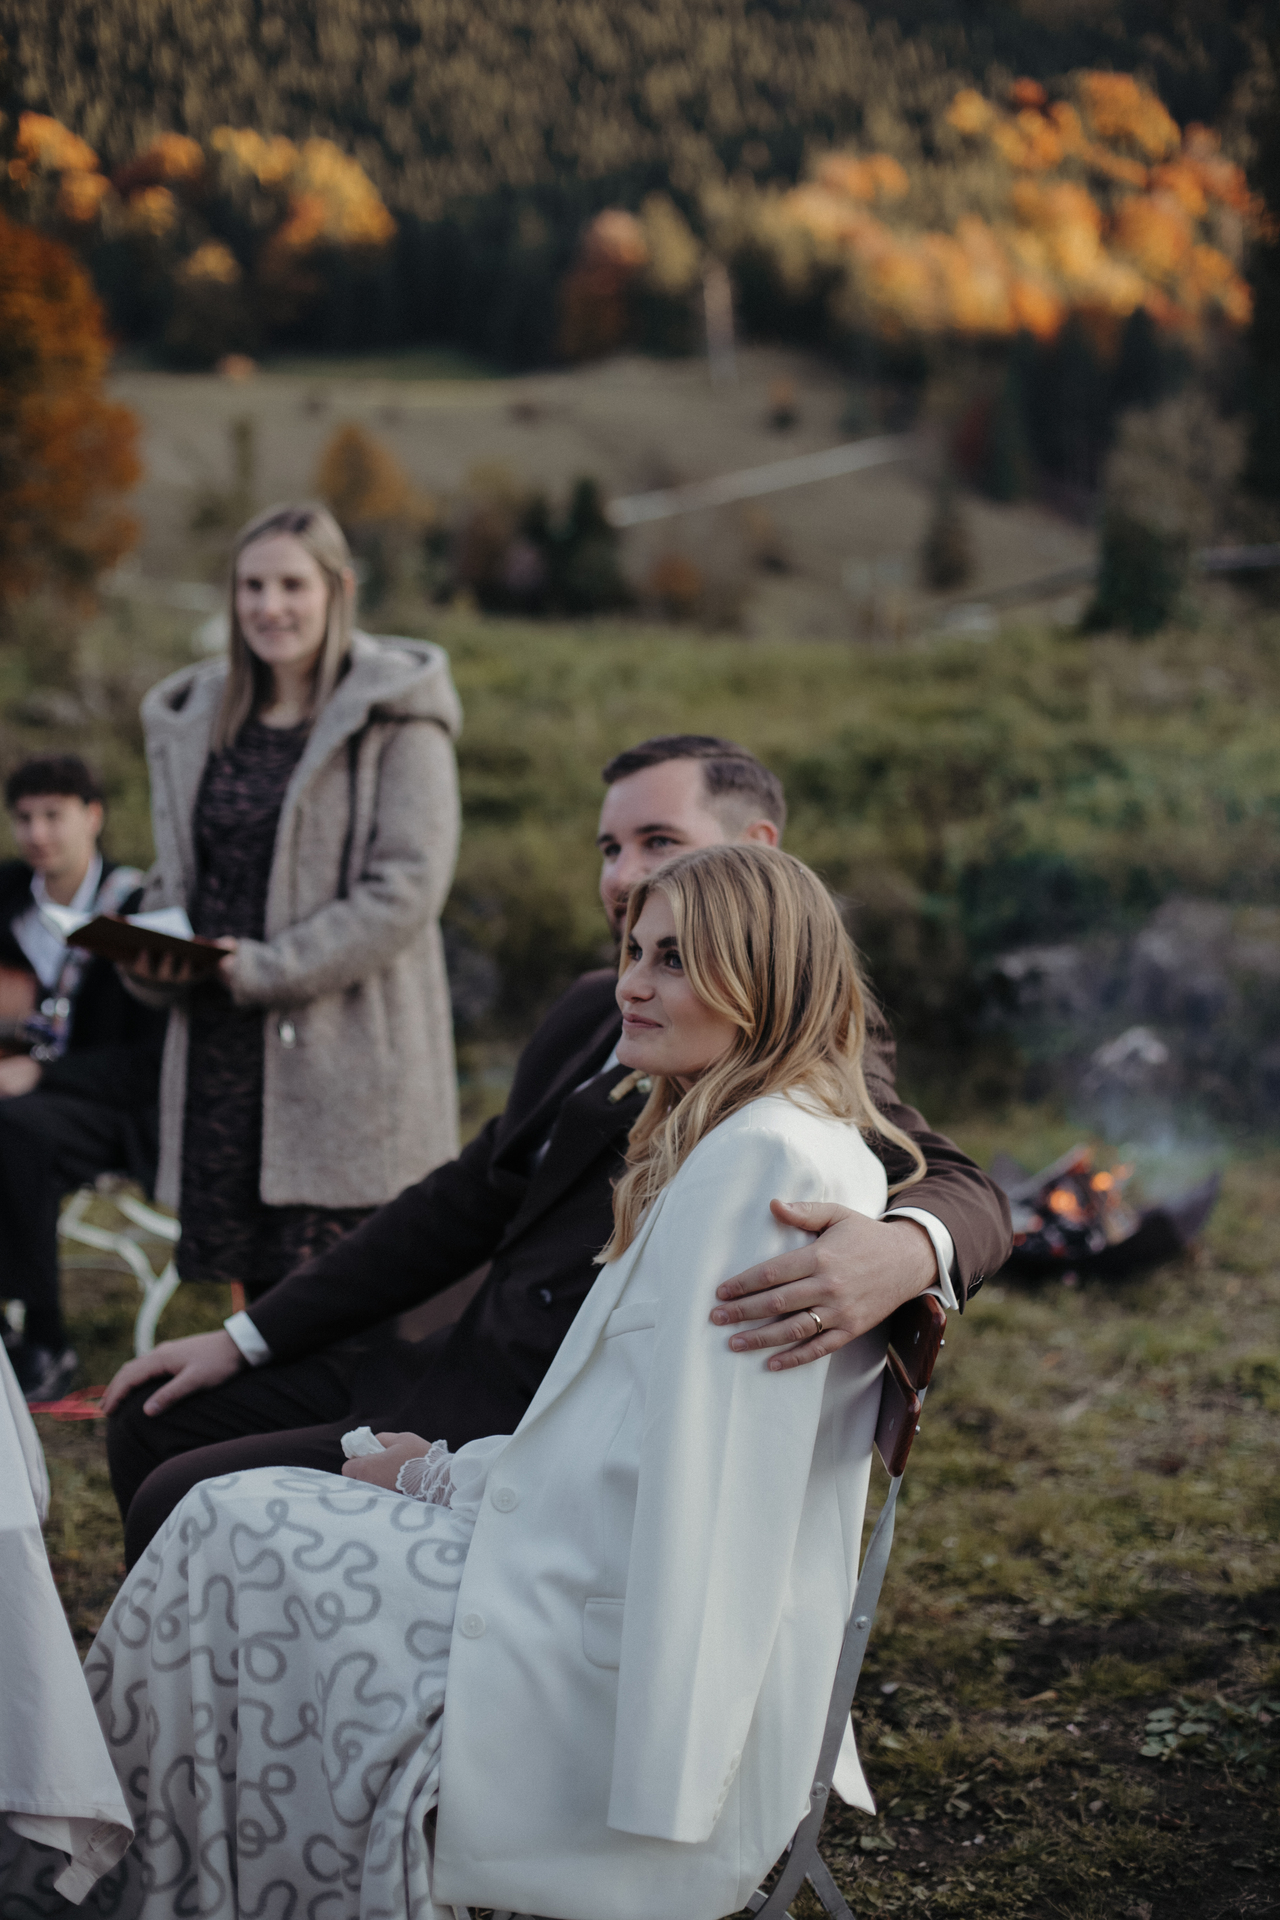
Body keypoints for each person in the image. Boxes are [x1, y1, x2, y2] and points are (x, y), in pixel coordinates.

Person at [73, 845, 953, 1919]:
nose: (631, 984)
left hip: (594, 1624)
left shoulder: (761, 1163)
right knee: (222, 1522)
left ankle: (169, 1873)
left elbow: (683, 1493)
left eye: (675, 960)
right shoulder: (744, 1132)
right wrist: (436, 1463)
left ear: (764, 976)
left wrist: (434, 1480)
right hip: (564, 1540)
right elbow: (625, 1423)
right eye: (635, 952)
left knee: (225, 1529)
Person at [104, 734, 1011, 1564]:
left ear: (756, 849)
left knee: (181, 1497)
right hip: (435, 1366)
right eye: (610, 849)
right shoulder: (593, 1007)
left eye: (659, 841)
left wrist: (905, 1249)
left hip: (538, 1437)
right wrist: (246, 1336)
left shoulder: (794, 1044)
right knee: (152, 1417)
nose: (624, 875)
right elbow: (463, 1198)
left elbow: (959, 1184)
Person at [125, 501, 462, 1302]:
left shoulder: (398, 715)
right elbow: (180, 869)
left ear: (339, 589)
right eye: (251, 586)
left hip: (342, 1052)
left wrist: (268, 967)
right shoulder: (201, 719)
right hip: (220, 1046)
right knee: (253, 1302)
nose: (268, 606)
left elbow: (407, 886)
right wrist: (149, 953)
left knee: (341, 1306)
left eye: (290, 585)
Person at [0, 755, 166, 1403]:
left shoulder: (138, 906)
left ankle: (45, 1337)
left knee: (15, 1130)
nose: (37, 833)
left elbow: (148, 1061)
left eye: (53, 815)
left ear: (93, 816)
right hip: (20, 1096)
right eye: (24, 818)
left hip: (114, 1106)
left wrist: (42, 1072)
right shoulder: (9, 899)